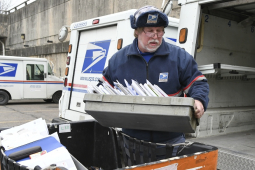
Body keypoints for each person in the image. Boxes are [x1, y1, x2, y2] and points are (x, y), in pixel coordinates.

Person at [102, 5, 209, 157]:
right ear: (137, 31)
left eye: (159, 31)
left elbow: (198, 82)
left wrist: (199, 100)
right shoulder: (118, 60)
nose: (155, 36)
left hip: (171, 140)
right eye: (150, 31)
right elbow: (102, 87)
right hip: (132, 140)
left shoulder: (179, 57)